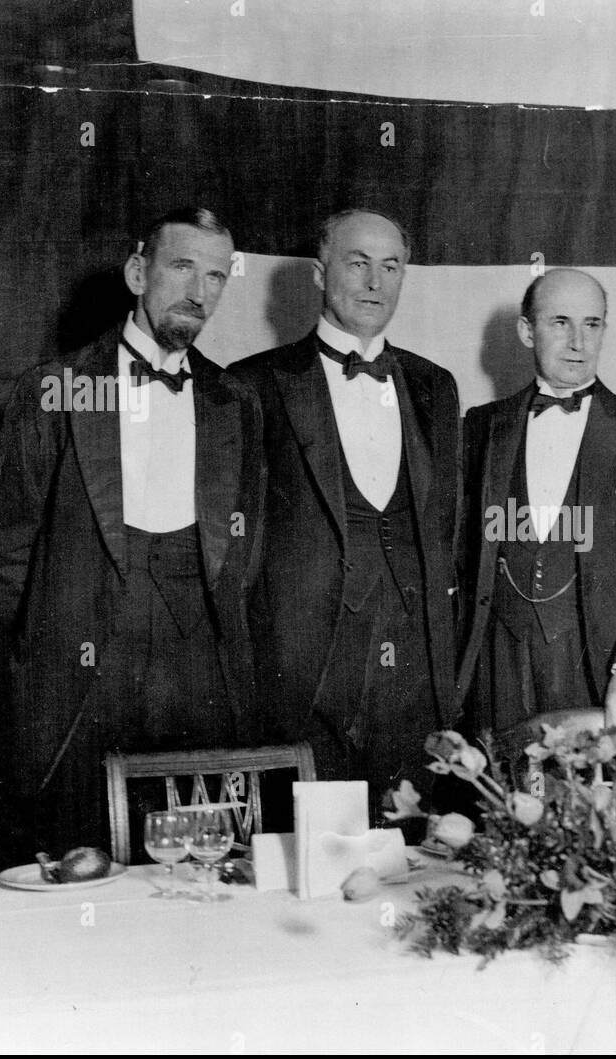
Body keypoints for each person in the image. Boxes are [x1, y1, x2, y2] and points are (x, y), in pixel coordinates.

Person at [0, 207, 265, 863]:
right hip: (81, 674)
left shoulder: (236, 402)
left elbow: (245, 552)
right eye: (183, 267)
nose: (199, 292)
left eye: (218, 277)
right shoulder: (55, 389)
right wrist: (52, 648)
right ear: (139, 272)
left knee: (200, 868)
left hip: (200, 673)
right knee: (79, 859)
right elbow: (6, 555)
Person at [231, 209, 461, 820]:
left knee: (410, 860)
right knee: (306, 858)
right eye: (357, 263)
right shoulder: (253, 384)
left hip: (414, 668)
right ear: (319, 272)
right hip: (303, 668)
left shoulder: (435, 385)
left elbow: (444, 526)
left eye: (391, 267)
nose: (374, 282)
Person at [458, 268, 616, 753]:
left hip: (598, 662)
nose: (578, 341)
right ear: (526, 331)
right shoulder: (480, 427)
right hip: (497, 664)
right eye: (560, 322)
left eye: (592, 324)